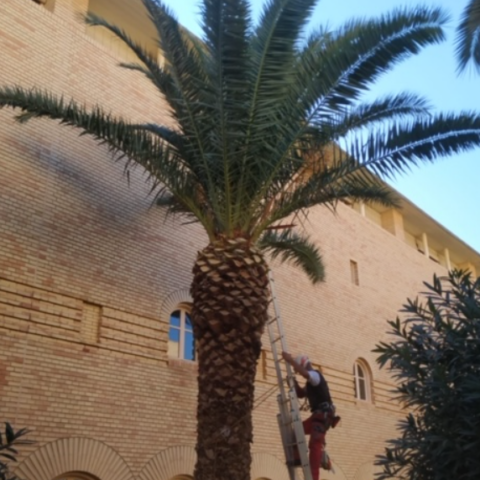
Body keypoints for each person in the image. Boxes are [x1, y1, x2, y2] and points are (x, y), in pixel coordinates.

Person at [282, 351, 340, 480]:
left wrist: (290, 360)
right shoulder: (311, 383)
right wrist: (293, 383)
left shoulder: (315, 375)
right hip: (317, 417)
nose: (300, 374)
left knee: (315, 444)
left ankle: (314, 478)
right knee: (297, 431)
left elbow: (305, 373)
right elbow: (301, 394)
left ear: (303, 364)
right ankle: (297, 458)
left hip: (322, 415)